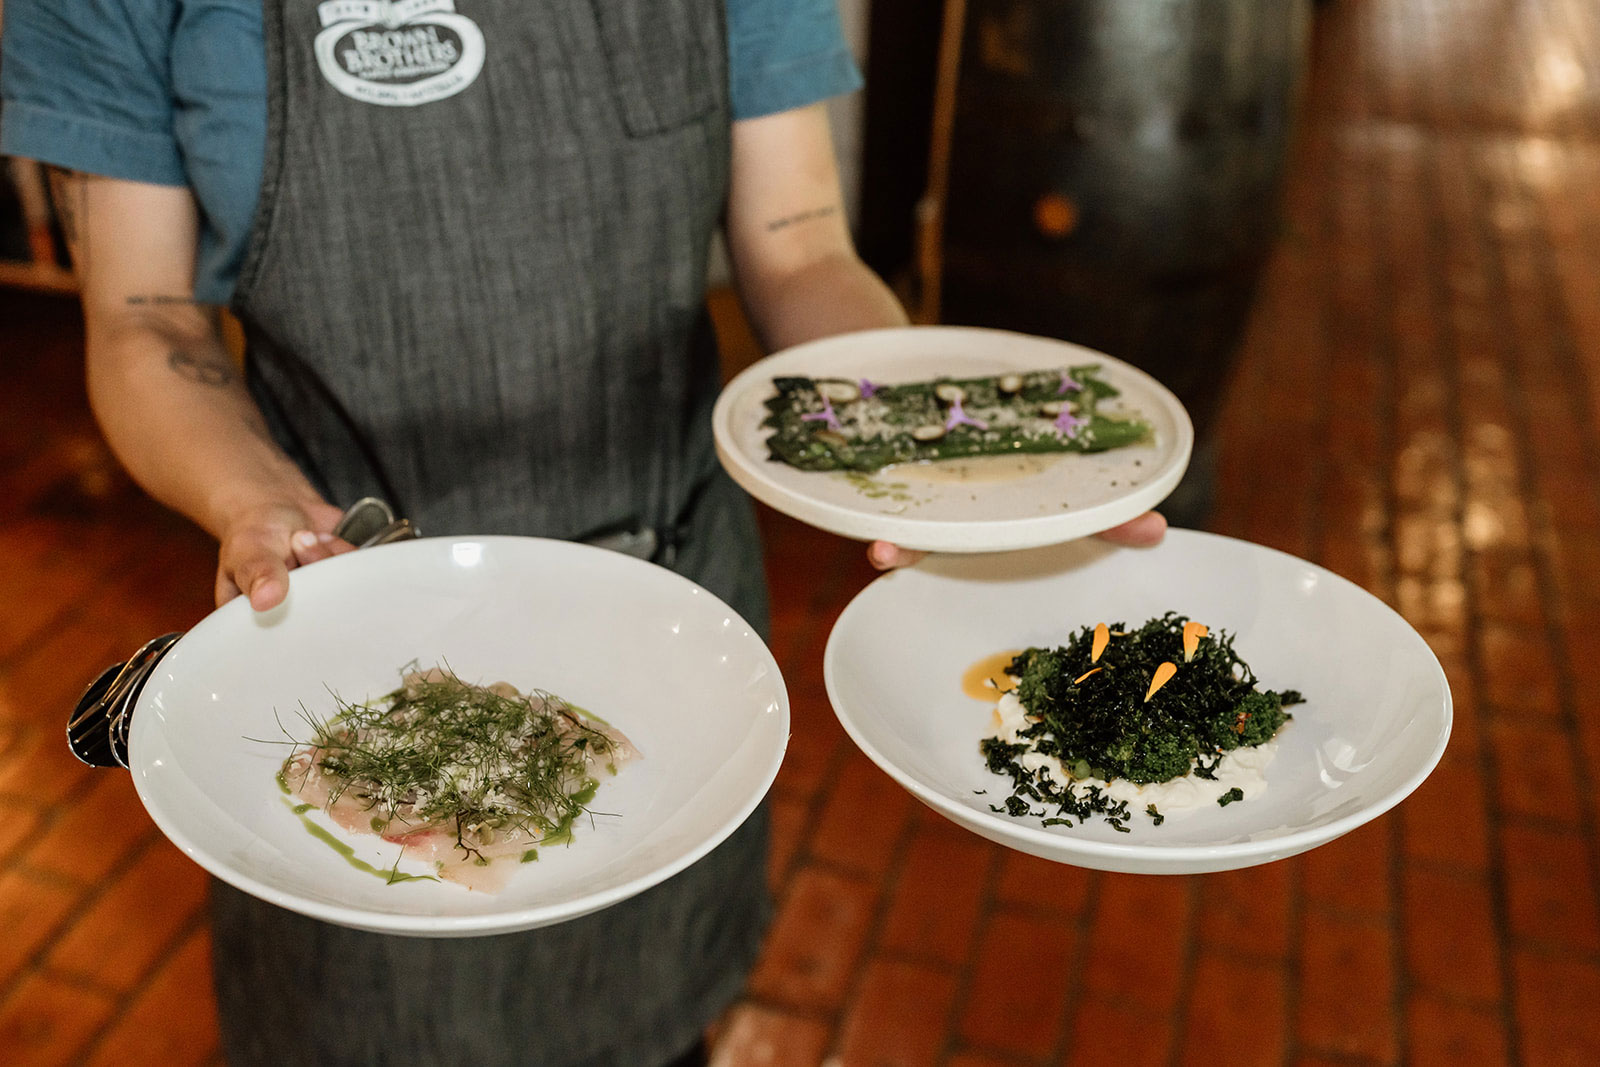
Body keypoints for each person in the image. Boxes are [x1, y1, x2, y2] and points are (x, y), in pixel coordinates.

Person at [2, 2, 1164, 1063]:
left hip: (667, 637)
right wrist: (256, 503)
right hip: (346, 638)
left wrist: (948, 475)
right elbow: (143, 317)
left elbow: (801, 243)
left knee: (655, 1030)